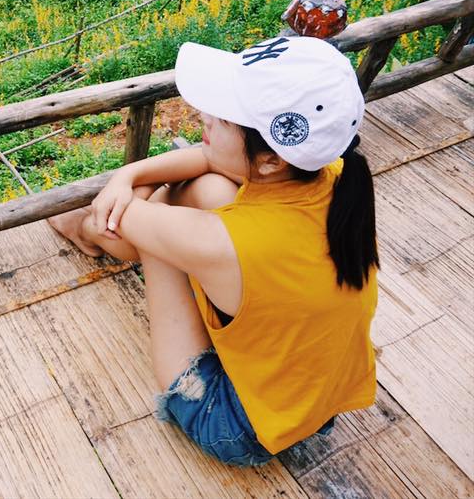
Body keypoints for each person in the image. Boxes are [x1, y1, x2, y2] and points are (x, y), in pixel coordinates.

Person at [48, 35, 379, 466]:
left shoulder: (223, 242)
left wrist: (119, 191)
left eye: (222, 117)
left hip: (239, 427)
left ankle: (75, 231)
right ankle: (90, 231)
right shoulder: (329, 172)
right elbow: (210, 161)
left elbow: (114, 218)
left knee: (158, 226)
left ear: (270, 160)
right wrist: (127, 176)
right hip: (316, 398)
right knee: (206, 188)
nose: (203, 114)